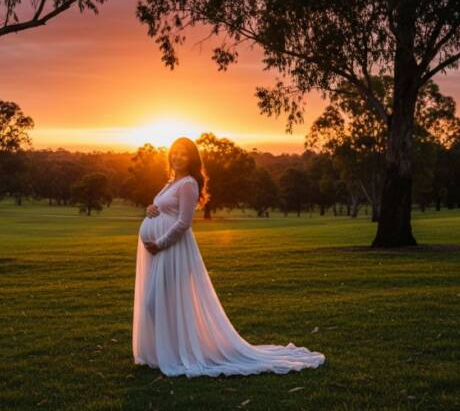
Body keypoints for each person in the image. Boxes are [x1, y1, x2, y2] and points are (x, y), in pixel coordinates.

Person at [133, 137, 325, 377]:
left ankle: (178, 352)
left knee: (156, 302)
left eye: (183, 153)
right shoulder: (171, 182)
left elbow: (184, 222)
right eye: (175, 152)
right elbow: (160, 208)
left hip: (173, 250)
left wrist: (160, 243)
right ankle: (170, 351)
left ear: (192, 159)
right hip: (161, 251)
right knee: (158, 302)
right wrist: (150, 209)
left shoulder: (189, 183)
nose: (178, 157)